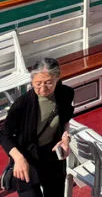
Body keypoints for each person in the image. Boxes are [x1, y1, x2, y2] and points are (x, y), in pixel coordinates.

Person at [0, 57, 73, 197]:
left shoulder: (65, 94)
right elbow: (4, 135)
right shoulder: (22, 104)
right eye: (38, 84)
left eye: (49, 83)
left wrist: (66, 139)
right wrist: (18, 158)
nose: (43, 88)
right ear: (32, 81)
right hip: (26, 158)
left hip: (52, 156)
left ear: (57, 78)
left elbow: (65, 120)